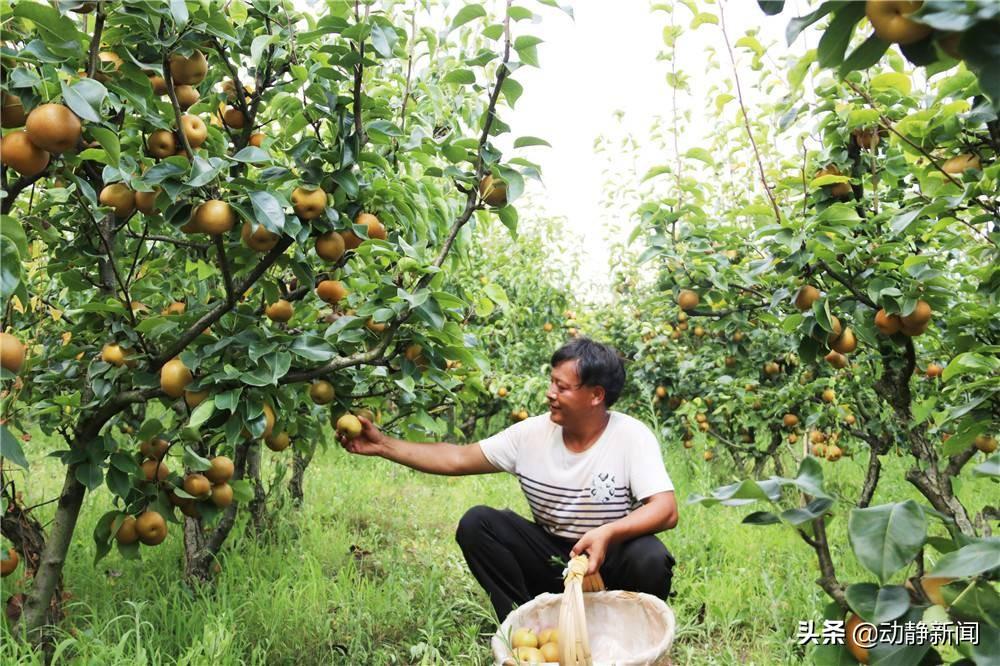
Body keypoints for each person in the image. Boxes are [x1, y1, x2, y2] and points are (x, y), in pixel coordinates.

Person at [338, 337, 678, 622]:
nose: (550, 393)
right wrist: (383, 445)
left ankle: (631, 629)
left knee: (650, 556)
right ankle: (526, 623)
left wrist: (607, 533)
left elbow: (666, 509)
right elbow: (457, 458)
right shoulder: (531, 435)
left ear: (596, 395)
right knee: (478, 524)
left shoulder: (631, 436)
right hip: (554, 556)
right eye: (551, 382)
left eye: (561, 386)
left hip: (609, 556)